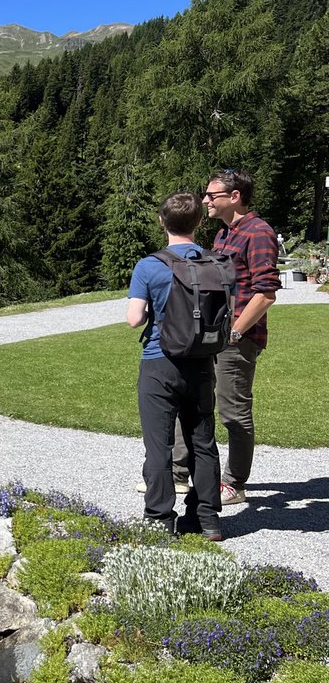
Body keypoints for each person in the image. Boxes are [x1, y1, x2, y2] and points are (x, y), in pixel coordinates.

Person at [169, 169, 280, 506]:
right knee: (192, 399)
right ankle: (176, 473)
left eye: (211, 195)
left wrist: (235, 331)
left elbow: (266, 293)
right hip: (212, 334)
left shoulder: (258, 233)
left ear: (234, 197)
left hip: (237, 338)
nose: (205, 201)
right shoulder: (224, 235)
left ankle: (234, 482)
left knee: (234, 412)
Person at [127, 193, 223, 538]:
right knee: (203, 442)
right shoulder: (215, 262)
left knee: (159, 445)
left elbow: (134, 319)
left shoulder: (149, 265)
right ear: (199, 223)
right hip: (201, 362)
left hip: (159, 362)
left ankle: (159, 519)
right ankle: (208, 519)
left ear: (161, 221)